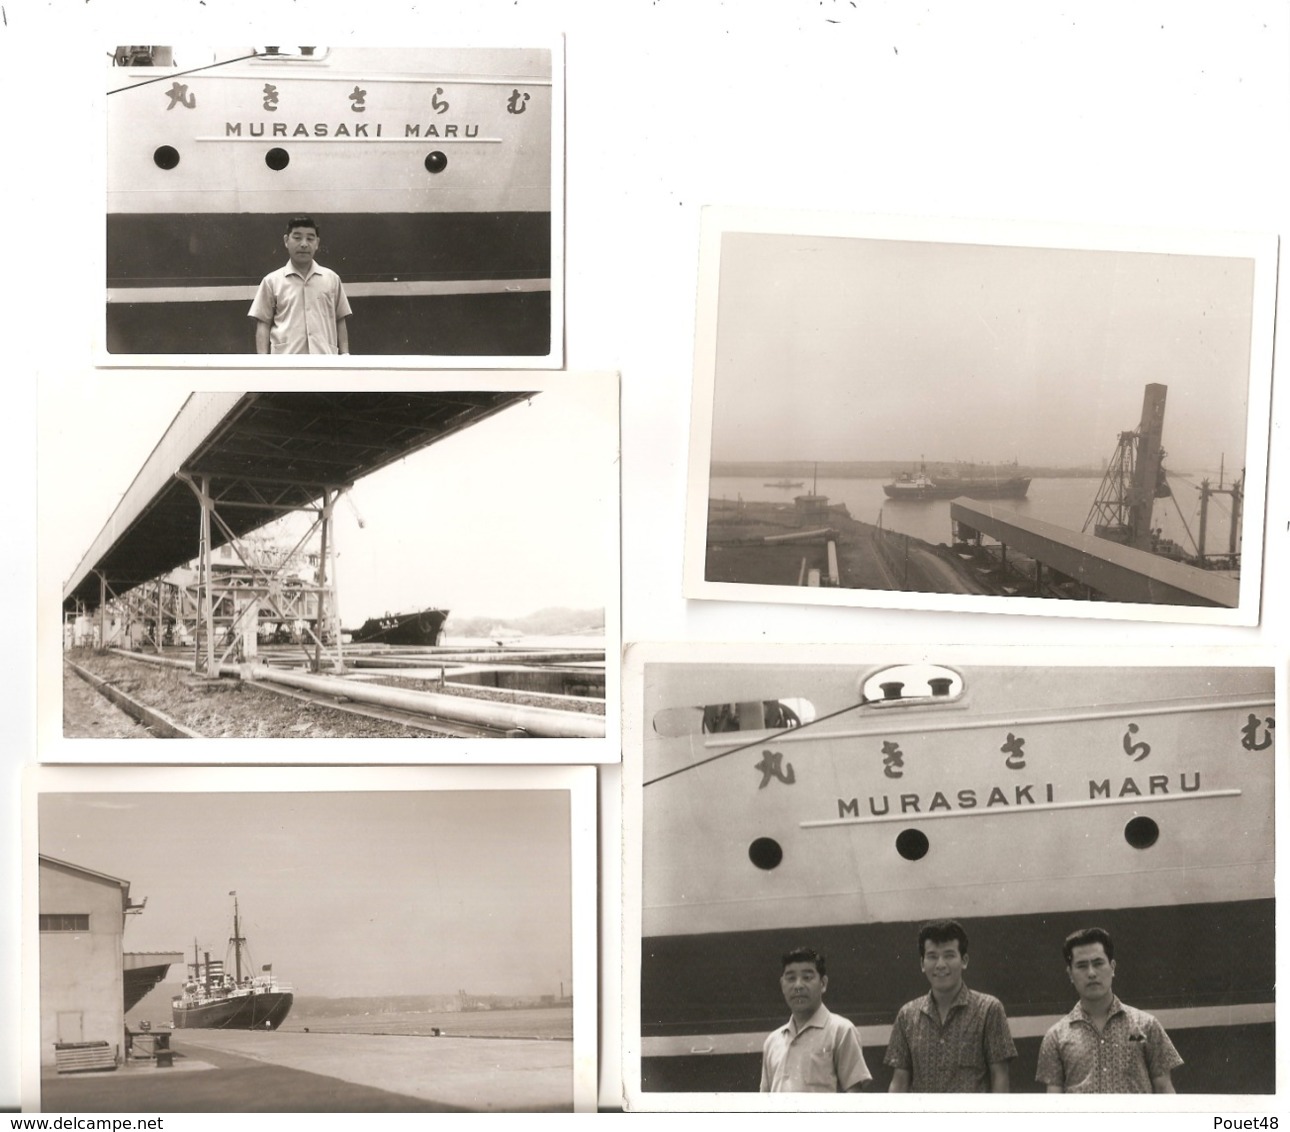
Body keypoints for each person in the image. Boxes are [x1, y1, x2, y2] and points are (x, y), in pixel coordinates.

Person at [1036, 927, 1182, 1093]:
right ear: (1070, 974)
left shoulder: (1146, 1026)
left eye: (1098, 963)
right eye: (1082, 966)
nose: (1091, 973)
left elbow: (1164, 1089)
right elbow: (1054, 1103)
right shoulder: (1056, 1037)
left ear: (1112, 967)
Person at [884, 919, 1016, 1092]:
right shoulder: (907, 1015)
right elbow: (899, 1082)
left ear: (964, 960)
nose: (940, 964)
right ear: (922, 964)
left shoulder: (989, 1009)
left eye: (949, 955)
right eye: (932, 956)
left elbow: (1000, 1076)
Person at [760, 946, 872, 1093]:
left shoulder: (841, 1031)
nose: (798, 985)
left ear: (823, 983)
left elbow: (854, 1095)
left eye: (807, 977)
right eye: (791, 978)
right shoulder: (773, 1041)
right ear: (782, 985)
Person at [249, 217, 352, 354]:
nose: (304, 244)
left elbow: (340, 319)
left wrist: (345, 355)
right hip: (286, 363)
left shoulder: (332, 279)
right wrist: (263, 362)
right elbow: (263, 324)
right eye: (297, 238)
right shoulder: (272, 281)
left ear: (317, 243)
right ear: (286, 241)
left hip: (325, 361)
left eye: (310, 239)